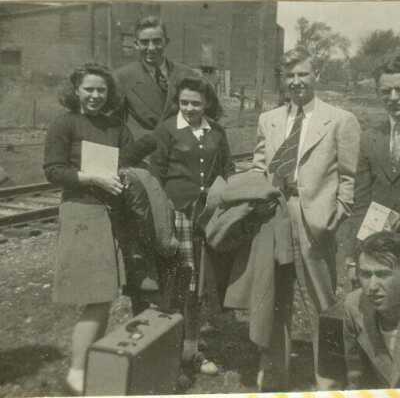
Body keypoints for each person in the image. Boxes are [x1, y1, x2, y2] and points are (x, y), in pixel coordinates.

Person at [252, 46, 361, 391]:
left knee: (322, 301)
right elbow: (259, 165)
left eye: (303, 74)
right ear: (283, 80)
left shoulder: (339, 120)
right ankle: (274, 371)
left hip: (314, 217)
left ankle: (327, 376)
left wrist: (335, 214)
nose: (297, 81)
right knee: (275, 294)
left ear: (316, 76)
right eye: (290, 75)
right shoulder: (268, 120)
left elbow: (348, 177)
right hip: (275, 213)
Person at [43, 63, 140, 395]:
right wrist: (93, 177)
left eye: (101, 90)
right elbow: (53, 170)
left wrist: (126, 175)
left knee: (105, 297)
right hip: (82, 212)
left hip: (113, 215)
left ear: (108, 93)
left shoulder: (116, 126)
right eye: (89, 89)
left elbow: (129, 163)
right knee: (98, 296)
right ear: (76, 90)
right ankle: (77, 371)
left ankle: (85, 368)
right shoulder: (64, 123)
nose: (96, 95)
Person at [150, 76, 235, 380]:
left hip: (208, 218)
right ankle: (171, 359)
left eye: (196, 103)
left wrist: (223, 184)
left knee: (200, 288)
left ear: (207, 103)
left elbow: (227, 167)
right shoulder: (167, 130)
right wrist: (163, 220)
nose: (189, 108)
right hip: (179, 217)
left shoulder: (217, 132)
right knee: (178, 285)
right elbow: (155, 177)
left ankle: (192, 350)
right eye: (184, 102)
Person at [349, 50, 400, 279]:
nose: (393, 97)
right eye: (385, 91)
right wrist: (355, 257)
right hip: (380, 250)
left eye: (399, 89)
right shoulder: (369, 138)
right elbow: (361, 203)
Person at [114, 15, 199, 139]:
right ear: (136, 44)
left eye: (157, 41)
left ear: (166, 42)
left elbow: (208, 113)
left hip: (180, 150)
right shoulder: (122, 77)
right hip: (142, 152)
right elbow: (114, 123)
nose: (151, 48)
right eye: (144, 42)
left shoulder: (187, 74)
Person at [344, 231, 400, 389]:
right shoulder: (355, 305)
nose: (372, 286)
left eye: (383, 274)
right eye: (366, 274)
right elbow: (356, 378)